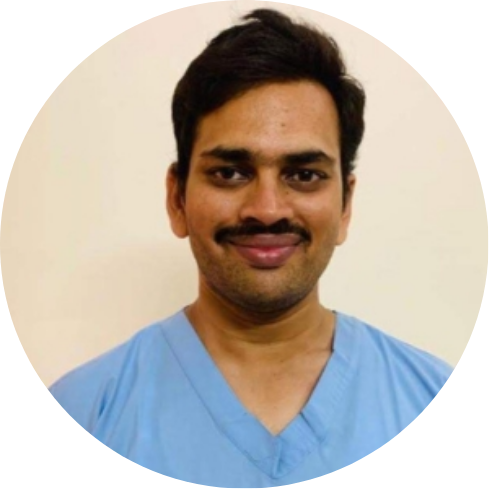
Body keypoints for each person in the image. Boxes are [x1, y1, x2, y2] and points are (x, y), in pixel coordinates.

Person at [49, 9, 453, 486]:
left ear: (345, 205)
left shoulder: (426, 394)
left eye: (304, 174)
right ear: (177, 199)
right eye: (230, 173)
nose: (266, 209)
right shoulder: (86, 409)